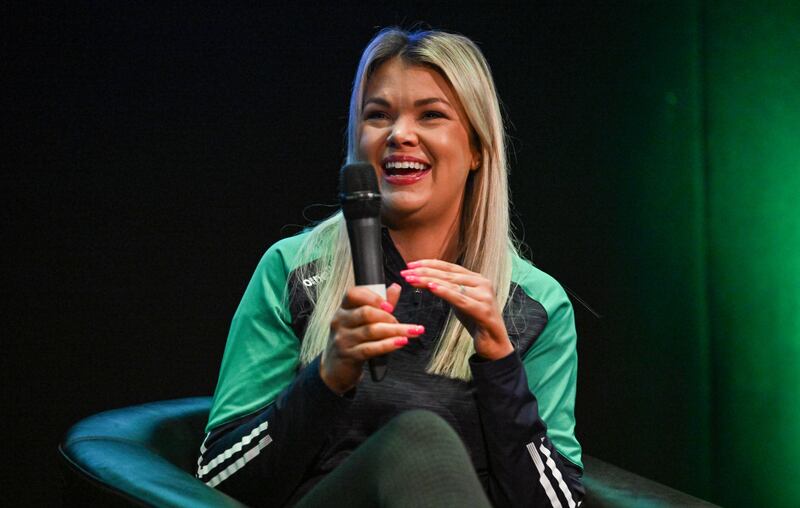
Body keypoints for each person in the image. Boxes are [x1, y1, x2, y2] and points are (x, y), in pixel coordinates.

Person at [196, 28, 584, 508]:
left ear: (478, 149)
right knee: (417, 440)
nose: (400, 134)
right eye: (378, 115)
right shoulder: (291, 270)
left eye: (431, 115)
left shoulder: (536, 302)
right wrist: (327, 377)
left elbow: (558, 503)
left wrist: (501, 367)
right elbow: (218, 475)